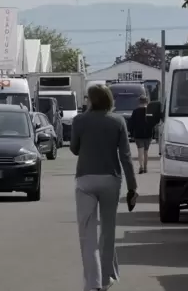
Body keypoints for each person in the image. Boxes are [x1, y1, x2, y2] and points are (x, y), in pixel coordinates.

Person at [70, 85, 137, 291]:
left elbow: (74, 149)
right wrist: (133, 186)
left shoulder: (79, 120)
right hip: (111, 179)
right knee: (108, 231)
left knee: (87, 234)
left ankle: (93, 283)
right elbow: (125, 156)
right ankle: (107, 279)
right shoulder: (118, 121)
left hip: (85, 180)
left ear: (91, 100)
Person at [129, 95, 152, 174]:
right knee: (146, 152)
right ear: (147, 102)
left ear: (139, 102)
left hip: (138, 134)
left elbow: (131, 123)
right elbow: (152, 123)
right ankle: (145, 168)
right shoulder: (149, 111)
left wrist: (131, 133)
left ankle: (141, 167)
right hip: (148, 134)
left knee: (140, 151)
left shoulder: (135, 111)